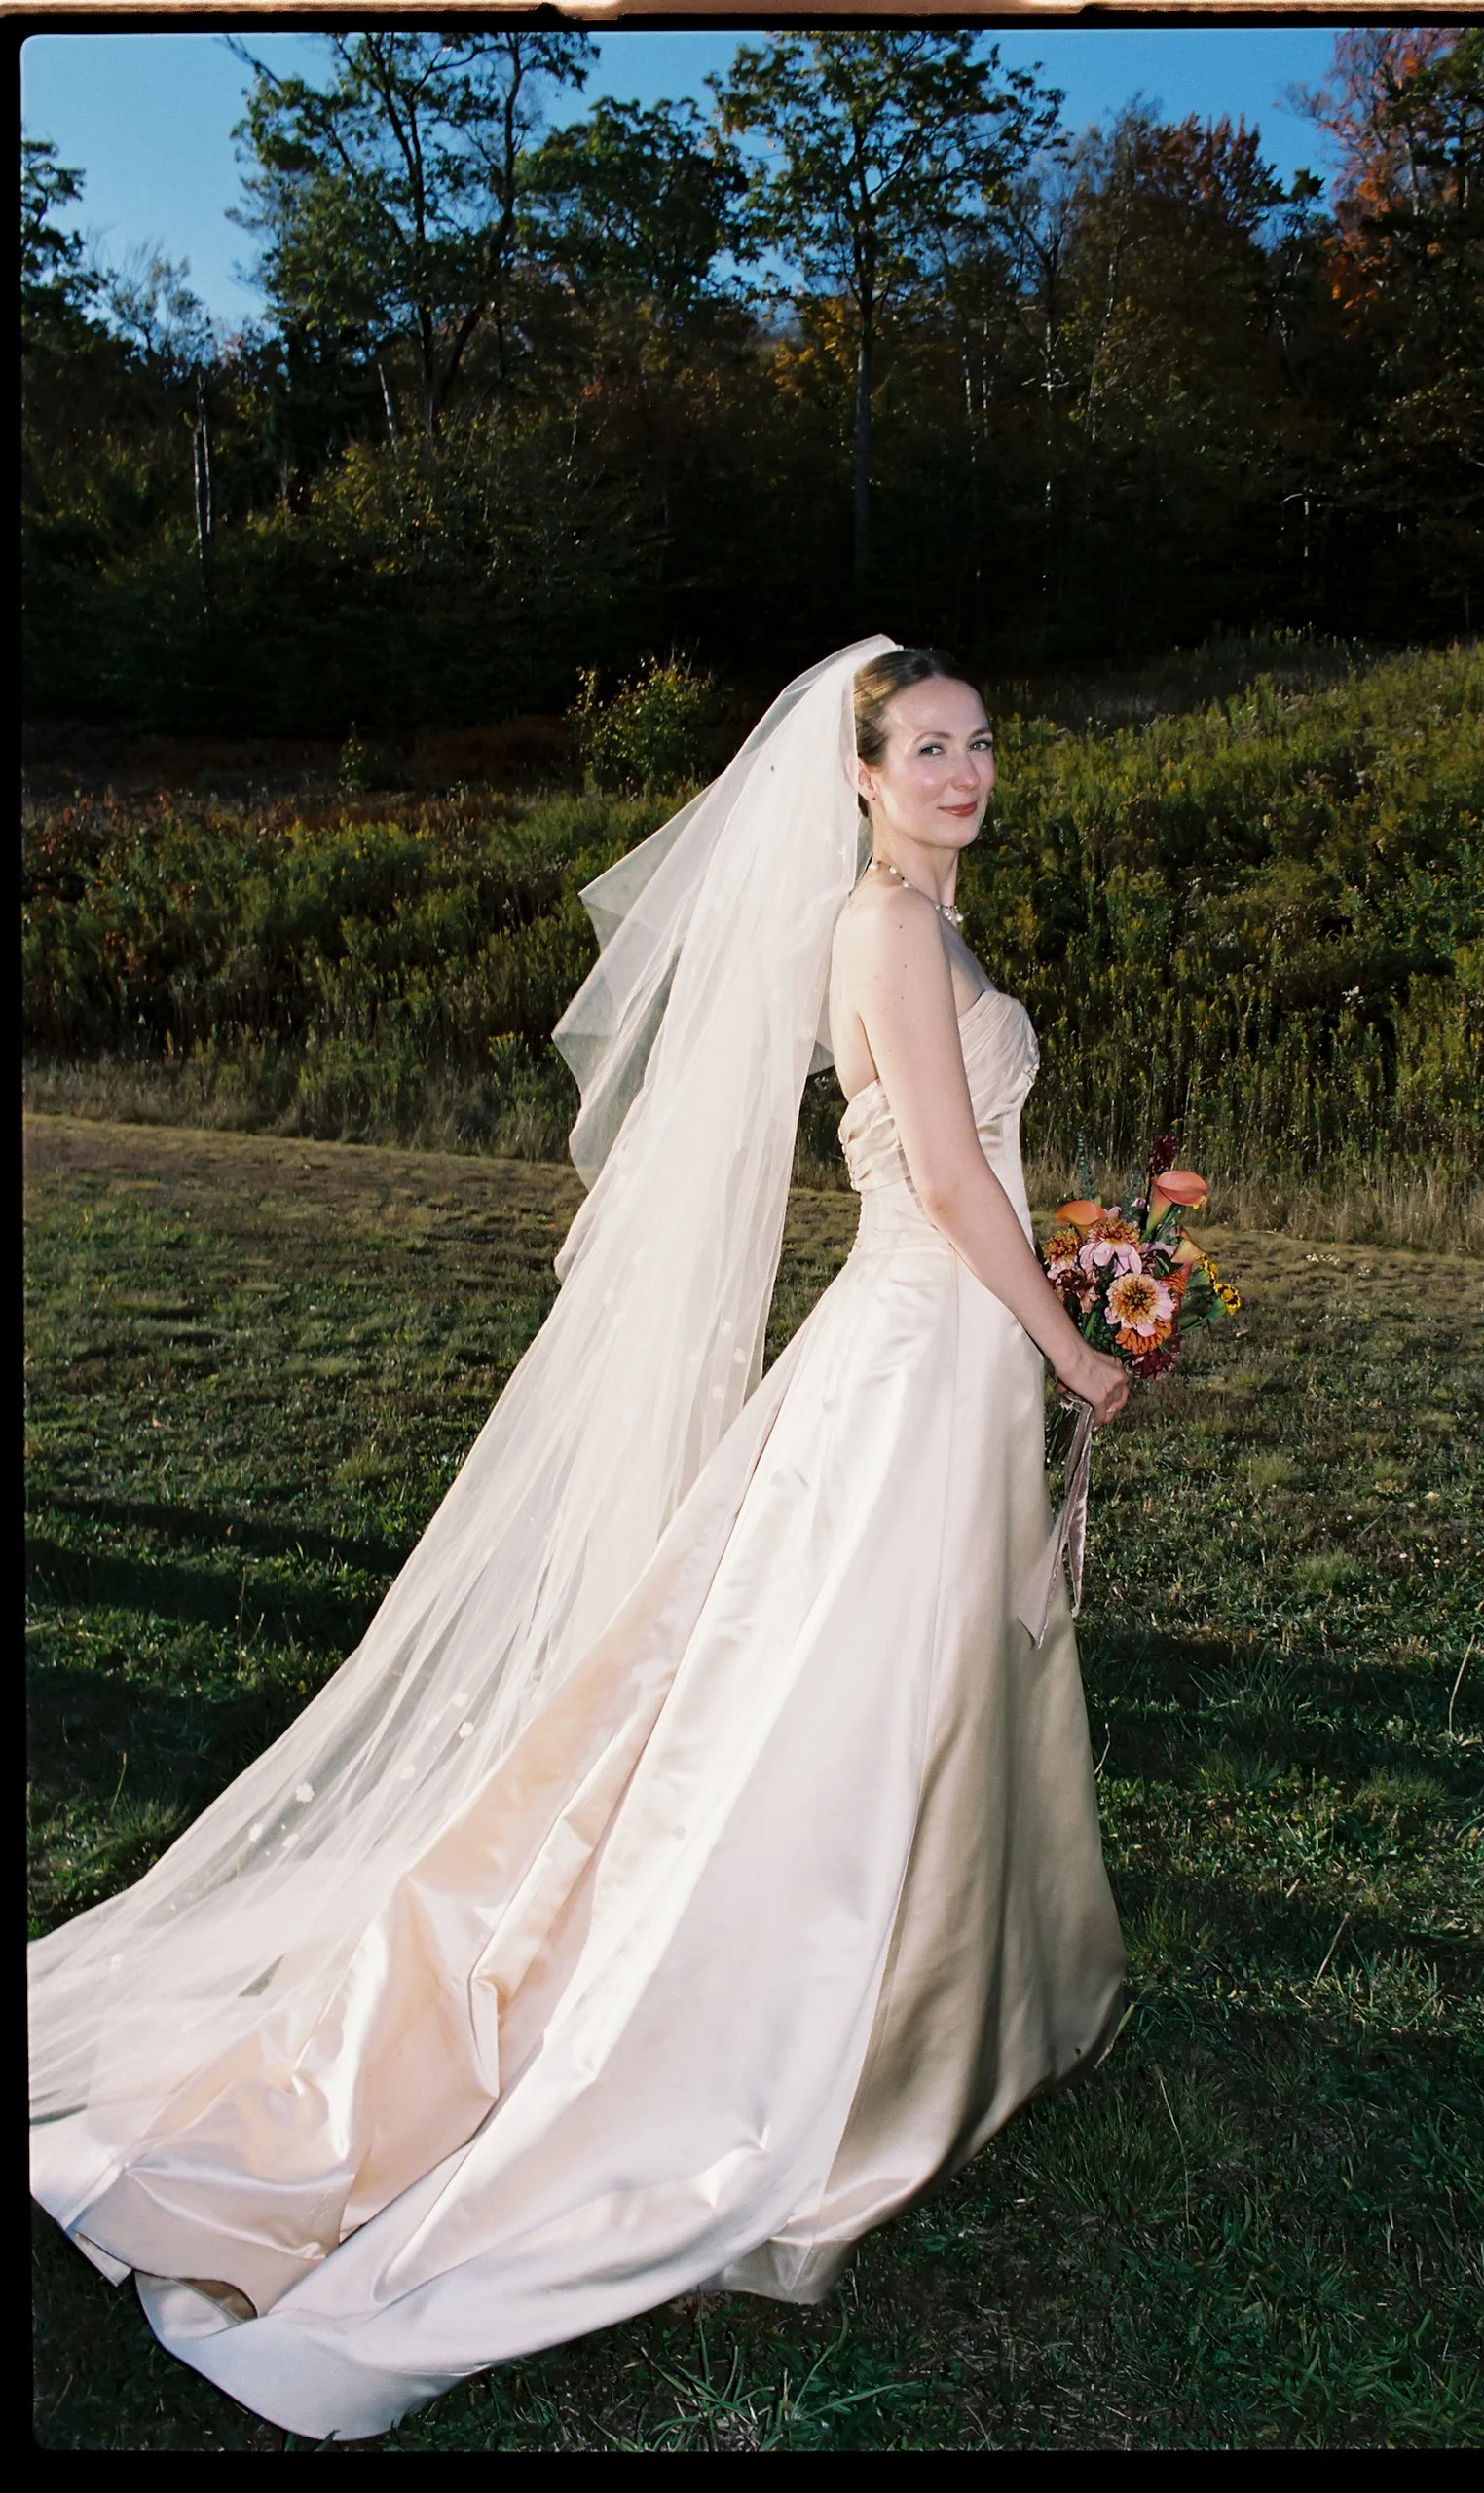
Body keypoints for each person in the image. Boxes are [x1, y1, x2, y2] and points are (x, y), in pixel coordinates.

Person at [29, 639, 1129, 2444]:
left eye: (980, 742)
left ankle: (931, 2008)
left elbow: (974, 1170)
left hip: (946, 1345)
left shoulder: (926, 930)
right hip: (918, 1341)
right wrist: (1072, 1341)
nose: (962, 772)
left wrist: (1062, 1283)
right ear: (854, 775)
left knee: (895, 1682)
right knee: (839, 1695)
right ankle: (772, 2038)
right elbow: (935, 1178)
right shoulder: (880, 932)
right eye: (924, 747)